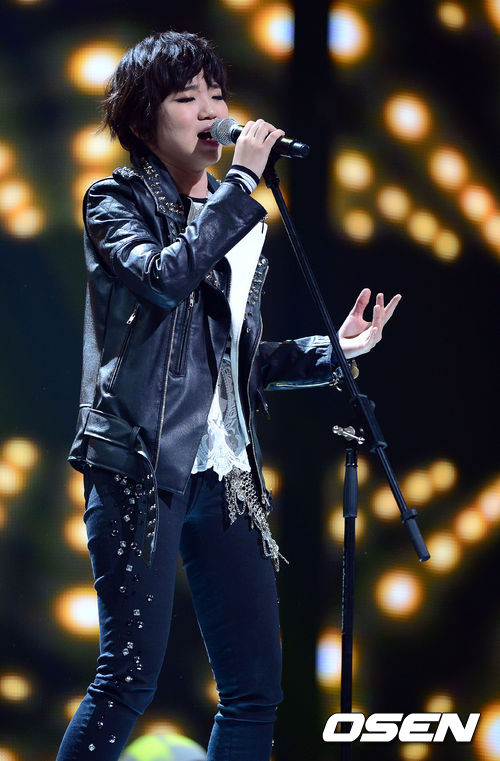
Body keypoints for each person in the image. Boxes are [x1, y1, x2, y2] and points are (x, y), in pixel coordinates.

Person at [57, 30, 400, 761]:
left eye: (217, 94)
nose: (212, 112)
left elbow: (238, 359)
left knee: (255, 691)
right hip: (140, 466)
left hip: (227, 469)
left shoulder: (236, 217)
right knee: (126, 681)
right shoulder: (114, 201)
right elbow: (163, 276)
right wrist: (241, 187)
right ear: (143, 118)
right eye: (188, 98)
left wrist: (332, 349)